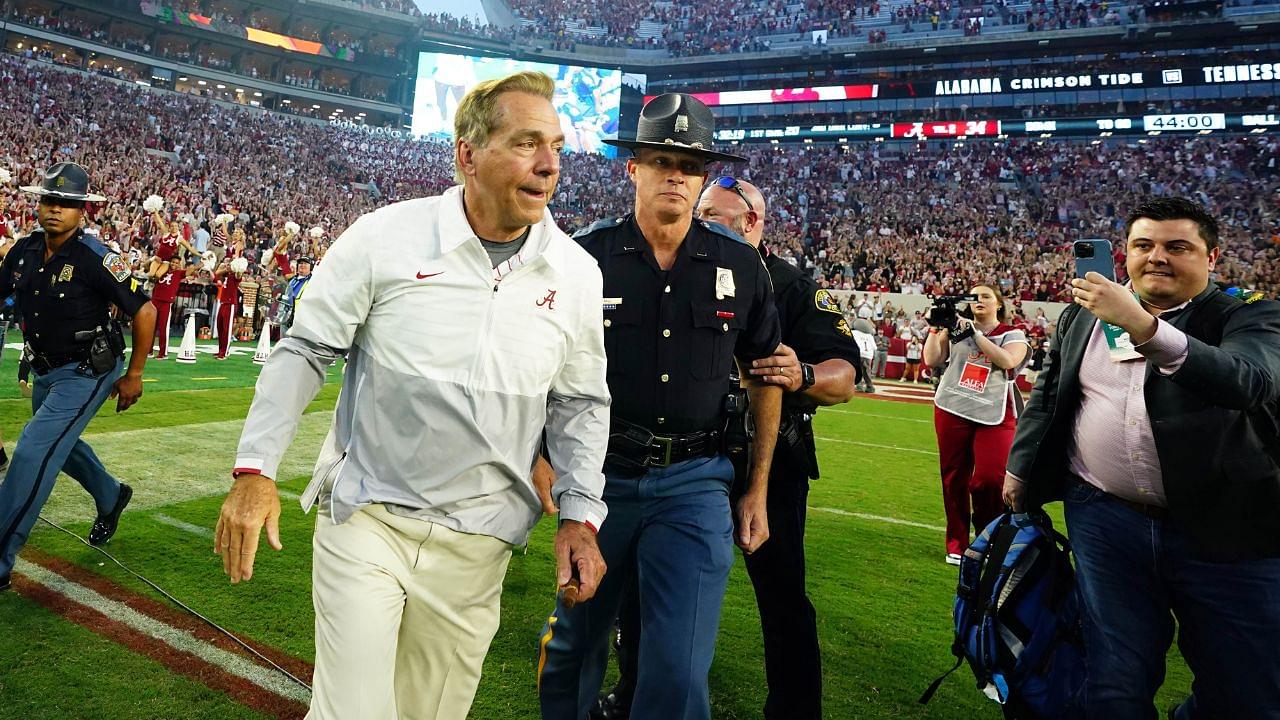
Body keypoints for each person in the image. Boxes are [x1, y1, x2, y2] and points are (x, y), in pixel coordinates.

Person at [215, 71, 610, 720]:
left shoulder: (574, 273)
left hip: (479, 543)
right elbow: (306, 350)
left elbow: (580, 404)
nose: (548, 164)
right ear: (467, 154)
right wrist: (255, 469)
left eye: (556, 147)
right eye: (525, 143)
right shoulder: (384, 238)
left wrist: (578, 515)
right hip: (369, 520)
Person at [536, 93, 783, 720]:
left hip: (696, 483)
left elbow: (764, 376)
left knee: (677, 674)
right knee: (574, 651)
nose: (675, 174)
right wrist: (542, 457)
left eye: (690, 164)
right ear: (633, 168)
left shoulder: (739, 263)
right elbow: (539, 363)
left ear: (701, 179)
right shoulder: (582, 258)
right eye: (660, 159)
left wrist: (755, 491)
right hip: (598, 480)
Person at [1003, 197, 1280, 720]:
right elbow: (1053, 390)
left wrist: (1143, 326)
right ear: (1123, 254)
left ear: (1212, 257)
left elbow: (1249, 382)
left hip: (1227, 528)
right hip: (1107, 519)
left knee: (1245, 690)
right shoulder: (1082, 316)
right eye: (1143, 246)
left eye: (1178, 247)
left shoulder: (1251, 314)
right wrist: (1021, 466)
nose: (1157, 258)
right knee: (1113, 682)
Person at [0, 162, 156, 592]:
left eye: (67, 203)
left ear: (82, 211)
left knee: (33, 452)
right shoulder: (25, 250)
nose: (55, 209)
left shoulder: (96, 257)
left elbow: (145, 309)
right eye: (50, 200)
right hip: (45, 367)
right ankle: (111, 495)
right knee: (61, 448)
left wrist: (135, 374)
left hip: (87, 371)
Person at [923, 284, 1028, 564]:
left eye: (985, 296)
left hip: (994, 411)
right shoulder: (955, 329)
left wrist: (975, 334)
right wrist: (936, 328)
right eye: (974, 297)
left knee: (990, 479)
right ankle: (956, 542)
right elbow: (932, 359)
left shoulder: (1012, 333)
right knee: (954, 477)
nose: (978, 300)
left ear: (999, 304)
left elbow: (1007, 361)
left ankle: (987, 537)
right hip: (953, 406)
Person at [273, 255, 312, 334]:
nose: (302, 265)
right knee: (283, 342)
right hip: (286, 317)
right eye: (300, 263)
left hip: (300, 320)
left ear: (311, 267)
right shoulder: (292, 280)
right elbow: (286, 297)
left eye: (306, 263)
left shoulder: (313, 281)